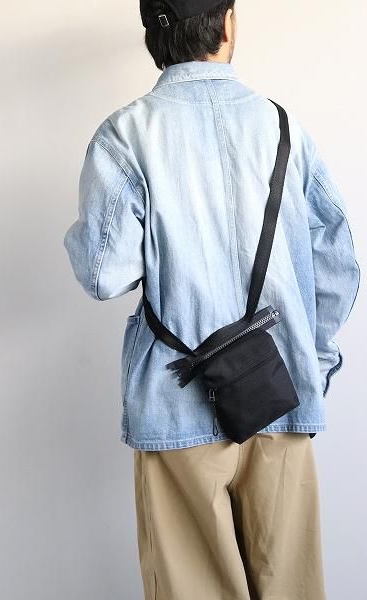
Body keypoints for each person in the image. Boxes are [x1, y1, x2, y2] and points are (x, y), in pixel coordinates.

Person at [63, 1, 360, 598]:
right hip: (279, 394)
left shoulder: (125, 135)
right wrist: (312, 360)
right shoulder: (282, 127)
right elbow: (338, 257)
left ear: (154, 38)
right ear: (227, 25)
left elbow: (104, 275)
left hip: (176, 403)